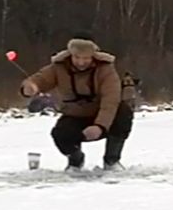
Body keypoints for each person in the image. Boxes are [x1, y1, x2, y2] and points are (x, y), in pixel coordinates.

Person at [20, 34, 133, 170]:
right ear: (70, 54)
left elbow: (111, 101)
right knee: (60, 134)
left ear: (93, 56)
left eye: (85, 58)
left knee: (123, 113)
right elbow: (40, 79)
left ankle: (112, 160)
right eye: (77, 57)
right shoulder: (58, 67)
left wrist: (100, 126)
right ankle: (75, 160)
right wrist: (30, 87)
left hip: (102, 116)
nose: (81, 62)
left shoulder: (106, 69)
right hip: (75, 115)